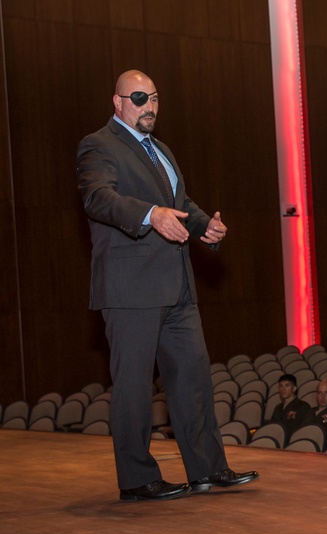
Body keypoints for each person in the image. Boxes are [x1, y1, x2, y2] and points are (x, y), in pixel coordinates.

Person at [77, 69, 257, 501]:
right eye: (139, 98)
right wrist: (149, 215)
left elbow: (180, 205)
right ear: (117, 102)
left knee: (193, 379)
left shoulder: (161, 150)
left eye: (154, 98)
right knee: (135, 387)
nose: (149, 106)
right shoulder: (98, 145)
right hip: (130, 289)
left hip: (177, 287)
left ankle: (208, 470)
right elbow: (99, 197)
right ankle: (137, 479)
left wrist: (201, 228)